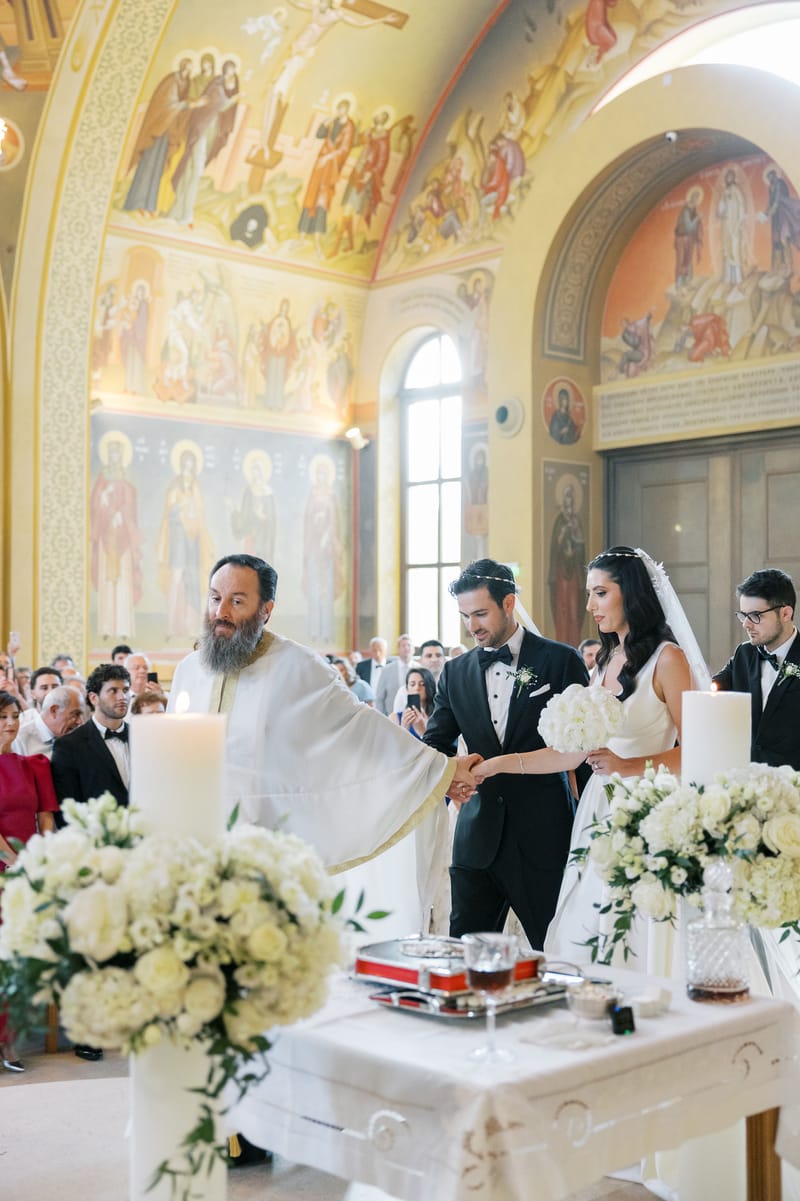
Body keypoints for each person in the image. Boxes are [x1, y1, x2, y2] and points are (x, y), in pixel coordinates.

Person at [167, 553, 478, 888]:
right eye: (215, 598)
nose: (220, 613)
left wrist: (439, 769)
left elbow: (358, 727)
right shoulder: (189, 670)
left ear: (266, 610)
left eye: (237, 601)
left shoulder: (297, 666)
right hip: (194, 847)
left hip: (267, 850)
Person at [545, 547, 706, 970]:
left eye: (600, 593)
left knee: (637, 926)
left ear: (630, 594)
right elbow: (575, 755)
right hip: (598, 808)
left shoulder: (667, 659)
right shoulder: (604, 660)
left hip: (650, 810)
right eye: (588, 593)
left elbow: (698, 751)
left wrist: (627, 767)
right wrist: (498, 765)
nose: (589, 606)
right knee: (589, 920)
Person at [423, 558, 588, 951]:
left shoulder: (560, 661)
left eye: (480, 613)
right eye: (465, 616)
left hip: (543, 835)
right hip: (475, 838)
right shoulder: (454, 672)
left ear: (509, 603)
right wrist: (448, 778)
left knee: (556, 952)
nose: (472, 626)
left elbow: (579, 744)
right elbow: (436, 743)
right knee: (465, 957)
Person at [0, 690, 59, 1071]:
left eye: (14, 715)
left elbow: (47, 819)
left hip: (29, 872)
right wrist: (13, 862)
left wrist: (41, 862)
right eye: (2, 716)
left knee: (16, 957)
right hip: (7, 869)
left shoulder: (34, 764)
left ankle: (9, 1041)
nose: (9, 722)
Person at [712, 568, 800, 770]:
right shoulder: (744, 654)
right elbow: (709, 689)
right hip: (747, 780)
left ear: (786, 613)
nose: (746, 625)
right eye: (743, 615)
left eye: (755, 615)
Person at [12, 685, 85, 757]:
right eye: (75, 714)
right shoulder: (20, 740)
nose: (80, 721)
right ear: (54, 710)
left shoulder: (76, 737)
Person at [374, 634, 415, 715]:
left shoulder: (420, 669)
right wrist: (383, 717)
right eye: (403, 646)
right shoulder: (386, 670)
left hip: (414, 717)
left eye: (409, 645)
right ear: (398, 649)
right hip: (391, 716)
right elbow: (379, 698)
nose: (406, 648)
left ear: (413, 649)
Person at [392, 667, 436, 739]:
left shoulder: (439, 717)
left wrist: (424, 731)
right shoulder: (395, 718)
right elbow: (392, 747)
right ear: (407, 688)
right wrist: (403, 729)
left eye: (422, 684)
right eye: (412, 684)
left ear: (430, 686)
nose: (417, 688)